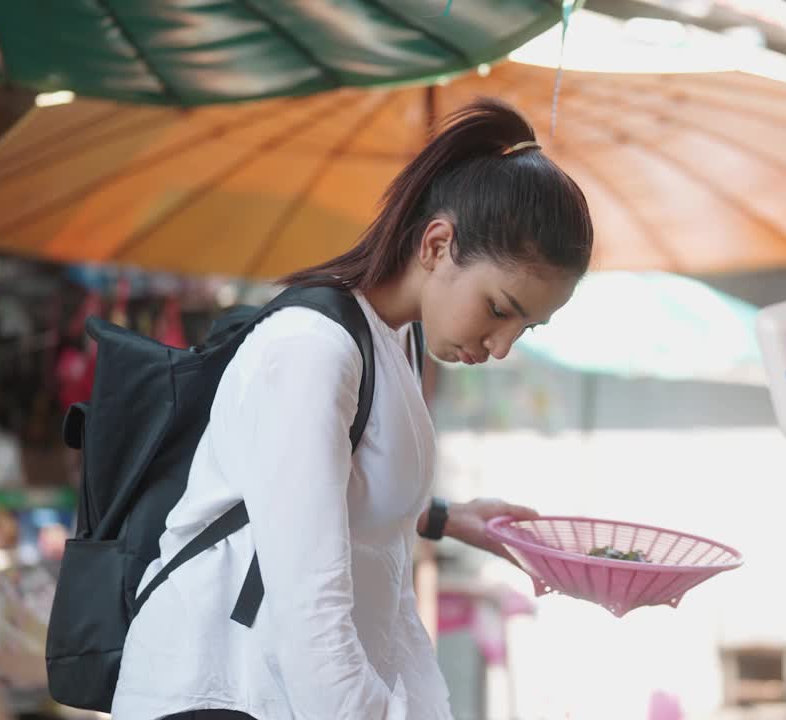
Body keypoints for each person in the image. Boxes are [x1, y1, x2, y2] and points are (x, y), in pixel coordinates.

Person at [111, 97, 594, 720]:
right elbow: (309, 605)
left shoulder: (394, 337)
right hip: (222, 691)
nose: (501, 346)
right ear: (437, 244)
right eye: (500, 310)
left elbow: (333, 493)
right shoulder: (313, 350)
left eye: (526, 328)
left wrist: (448, 518)